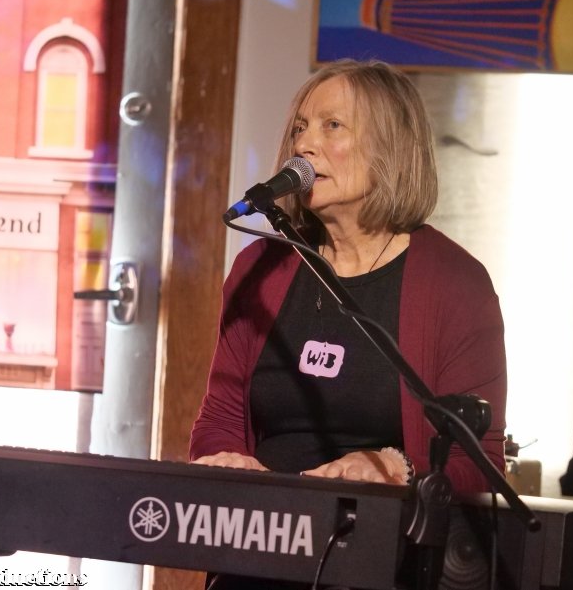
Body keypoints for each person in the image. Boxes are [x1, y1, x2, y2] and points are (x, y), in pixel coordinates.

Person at [189, 59, 507, 580]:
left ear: (390, 146)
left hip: (380, 559)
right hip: (260, 550)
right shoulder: (259, 267)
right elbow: (219, 419)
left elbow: (479, 460)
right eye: (300, 127)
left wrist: (395, 466)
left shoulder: (455, 283)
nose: (304, 144)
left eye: (332, 126)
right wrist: (227, 459)